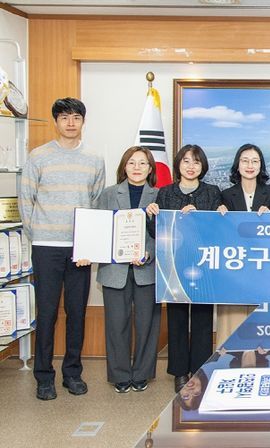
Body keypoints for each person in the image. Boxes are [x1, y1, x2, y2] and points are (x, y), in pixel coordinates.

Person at [19, 97, 105, 400]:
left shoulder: (94, 159)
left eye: (76, 117)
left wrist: (89, 243)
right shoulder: (38, 156)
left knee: (76, 312)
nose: (70, 123)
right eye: (65, 117)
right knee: (47, 313)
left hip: (80, 249)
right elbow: (26, 201)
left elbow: (95, 203)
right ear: (56, 121)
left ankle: (72, 373)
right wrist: (39, 235)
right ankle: (44, 376)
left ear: (83, 122)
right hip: (46, 246)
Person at [147, 144, 222, 393]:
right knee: (177, 318)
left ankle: (200, 370)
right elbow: (157, 233)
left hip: (203, 264)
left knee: (202, 320)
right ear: (178, 164)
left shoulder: (212, 192)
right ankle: (179, 372)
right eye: (186, 161)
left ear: (203, 166)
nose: (191, 166)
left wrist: (203, 215)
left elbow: (217, 230)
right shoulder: (165, 192)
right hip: (174, 264)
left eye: (196, 162)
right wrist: (152, 215)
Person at [95, 146, 160, 393]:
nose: (137, 168)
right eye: (132, 162)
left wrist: (148, 253)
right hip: (114, 269)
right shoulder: (109, 194)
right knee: (116, 324)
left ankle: (142, 373)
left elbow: (164, 234)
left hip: (147, 269)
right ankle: (120, 375)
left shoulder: (159, 195)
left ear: (150, 168)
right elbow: (99, 229)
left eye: (143, 163)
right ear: (124, 166)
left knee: (147, 325)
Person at [216, 144, 270, 348]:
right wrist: (218, 214)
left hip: (263, 266)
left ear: (261, 165)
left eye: (255, 161)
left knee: (260, 324)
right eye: (245, 161)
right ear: (237, 165)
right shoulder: (226, 195)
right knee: (232, 322)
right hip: (235, 268)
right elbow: (221, 233)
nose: (250, 165)